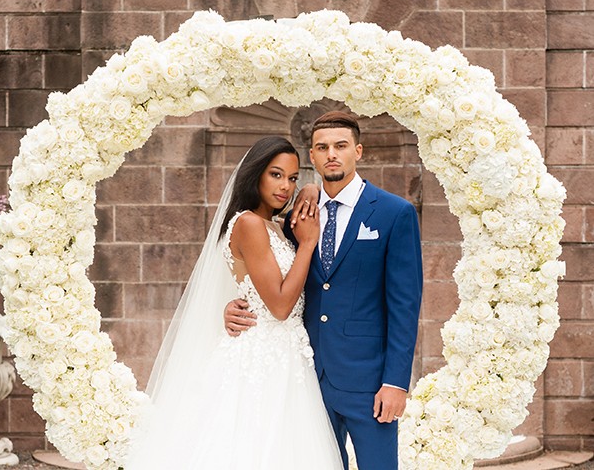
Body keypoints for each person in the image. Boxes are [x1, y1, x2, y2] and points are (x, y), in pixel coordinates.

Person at [125, 136, 343, 469]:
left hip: (290, 355)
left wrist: (311, 189)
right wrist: (309, 244)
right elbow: (280, 306)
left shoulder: (276, 226)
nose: (286, 186)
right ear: (255, 174)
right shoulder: (249, 224)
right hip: (261, 357)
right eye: (276, 175)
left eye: (292, 177)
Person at [224, 111, 423, 470]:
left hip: (368, 383)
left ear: (358, 151)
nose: (332, 154)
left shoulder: (395, 213)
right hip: (305, 380)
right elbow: (267, 277)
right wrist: (233, 305)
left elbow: (405, 306)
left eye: (341, 146)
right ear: (312, 157)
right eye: (322, 147)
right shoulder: (294, 219)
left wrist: (396, 382)